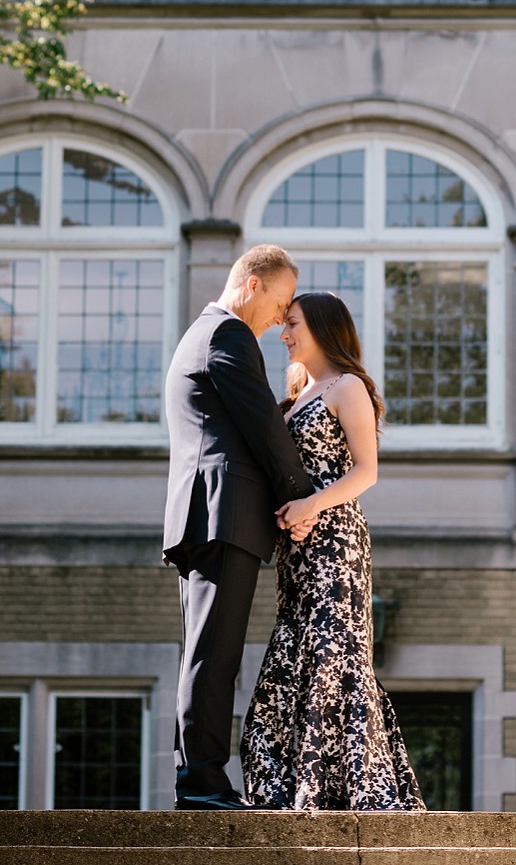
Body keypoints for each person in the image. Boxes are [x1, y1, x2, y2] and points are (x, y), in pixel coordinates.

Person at [239, 291, 425, 811]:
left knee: (330, 664)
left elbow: (366, 471)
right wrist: (290, 514)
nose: (284, 334)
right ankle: (291, 794)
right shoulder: (296, 392)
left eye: (293, 324)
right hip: (297, 551)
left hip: (337, 546)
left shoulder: (348, 388)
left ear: (322, 327)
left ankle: (336, 799)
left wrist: (311, 508)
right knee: (290, 663)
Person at [163, 244, 316, 811]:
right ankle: (202, 785)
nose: (280, 319)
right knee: (214, 656)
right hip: (222, 515)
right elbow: (263, 428)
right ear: (253, 286)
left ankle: (197, 780)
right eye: (279, 304)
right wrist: (305, 500)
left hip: (210, 515)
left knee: (207, 653)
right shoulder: (227, 335)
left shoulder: (203, 334)